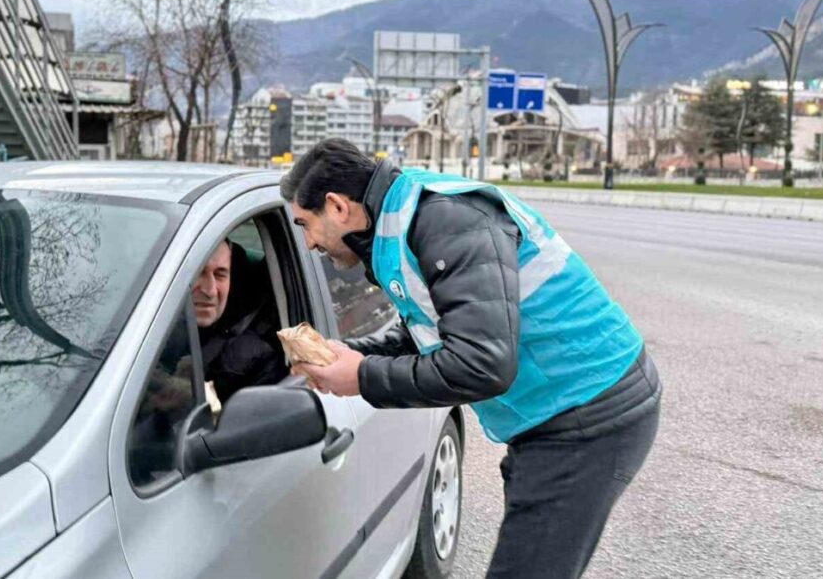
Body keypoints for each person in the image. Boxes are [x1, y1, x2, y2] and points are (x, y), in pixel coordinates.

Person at [282, 139, 661, 579]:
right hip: (556, 414)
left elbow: (482, 365)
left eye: (305, 225)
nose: (307, 243)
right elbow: (431, 330)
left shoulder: (446, 221)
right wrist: (356, 356)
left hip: (590, 416)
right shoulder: (401, 220)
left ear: (337, 206)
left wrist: (362, 377)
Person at [192, 239, 288, 403]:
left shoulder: (258, 358)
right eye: (198, 273)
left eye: (220, 275)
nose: (210, 290)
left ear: (232, 280)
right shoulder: (149, 325)